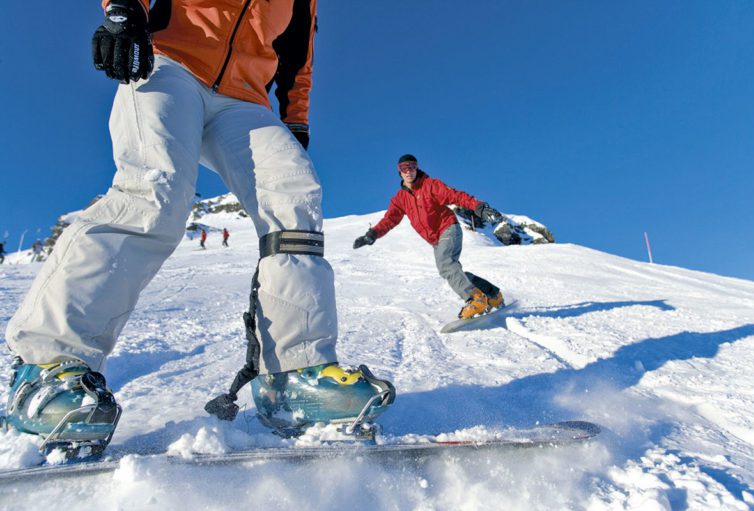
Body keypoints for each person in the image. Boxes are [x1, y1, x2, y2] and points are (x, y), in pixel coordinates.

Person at [3, 0, 393, 455]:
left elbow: (296, 60)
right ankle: (48, 368)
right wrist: (124, 11)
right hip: (170, 64)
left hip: (245, 99)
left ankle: (294, 376)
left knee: (293, 193)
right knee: (154, 191)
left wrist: (295, 120)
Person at [354, 154, 506, 320]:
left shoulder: (430, 185)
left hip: (448, 228)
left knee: (446, 265)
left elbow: (455, 195)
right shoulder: (400, 199)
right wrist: (373, 234)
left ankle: (475, 299)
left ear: (417, 168)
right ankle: (493, 295)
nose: (409, 171)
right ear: (399, 172)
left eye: (412, 167)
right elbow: (390, 219)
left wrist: (478, 207)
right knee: (453, 271)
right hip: (435, 240)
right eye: (404, 168)